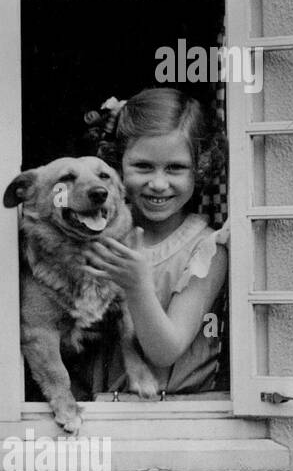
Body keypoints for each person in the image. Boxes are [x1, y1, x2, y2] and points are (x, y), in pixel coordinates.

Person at [80, 88, 228, 396]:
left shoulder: (207, 249)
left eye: (175, 168)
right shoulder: (98, 232)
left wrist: (136, 286)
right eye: (143, 167)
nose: (158, 183)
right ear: (117, 164)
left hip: (178, 415)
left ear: (199, 168)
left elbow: (165, 350)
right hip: (96, 411)